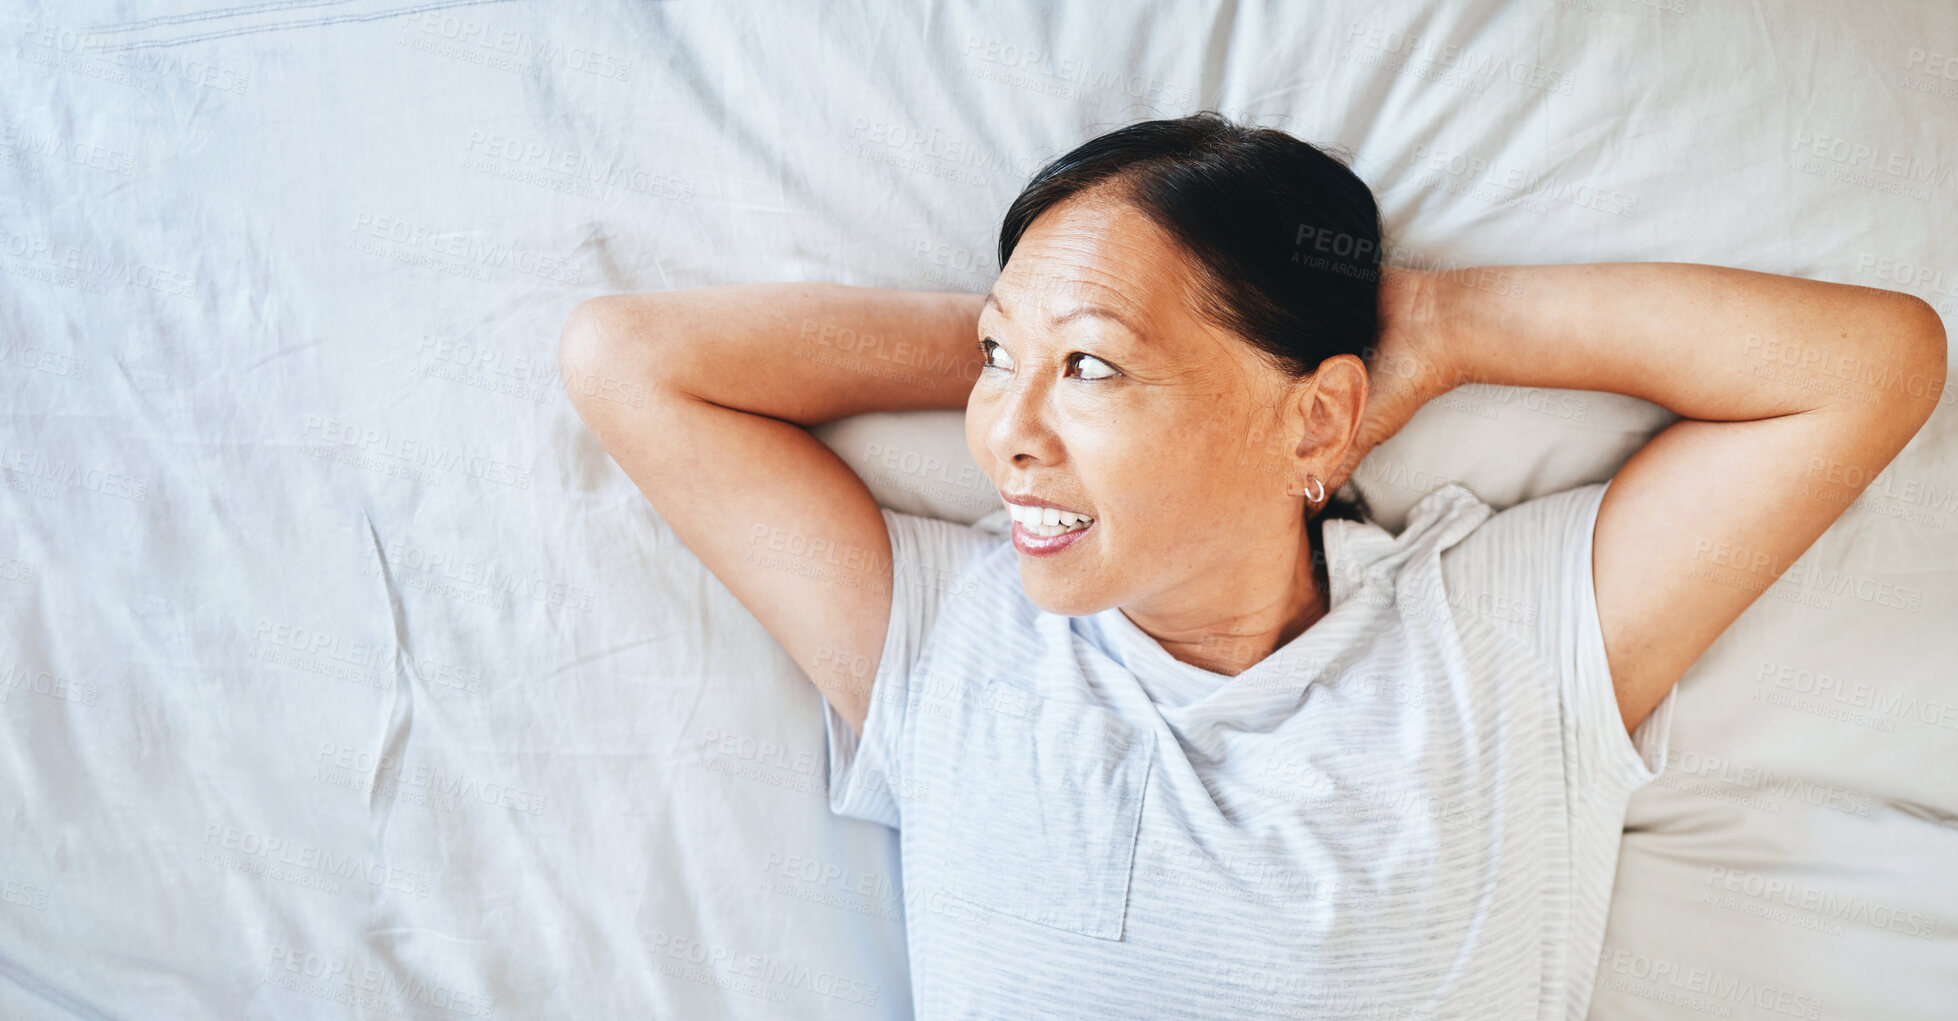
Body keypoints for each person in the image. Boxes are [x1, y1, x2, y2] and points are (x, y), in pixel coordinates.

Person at [557, 112, 1945, 1020]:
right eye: (991, 366)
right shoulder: (944, 639)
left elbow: (1868, 366)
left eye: (1085, 372)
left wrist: (1440, 328)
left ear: (1323, 416)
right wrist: (1051, 334)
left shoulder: (1503, 641)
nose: (1004, 436)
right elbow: (630, 359)